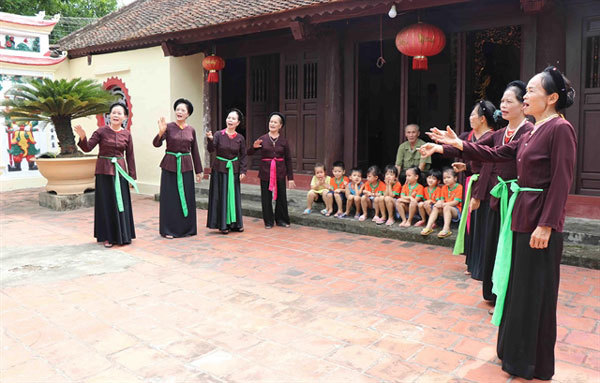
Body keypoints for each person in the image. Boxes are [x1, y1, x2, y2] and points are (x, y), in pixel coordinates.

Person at [421, 66, 576, 380]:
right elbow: (497, 152)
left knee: (535, 292)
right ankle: (513, 353)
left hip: (539, 224)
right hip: (522, 217)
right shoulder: (534, 129)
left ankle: (532, 362)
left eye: (532, 90)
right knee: (518, 289)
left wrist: (547, 225)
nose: (526, 95)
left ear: (552, 98)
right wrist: (451, 146)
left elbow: (562, 181)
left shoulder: (561, 129)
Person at [74, 102, 137, 248]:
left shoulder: (127, 134)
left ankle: (123, 235)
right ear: (108, 115)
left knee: (121, 203)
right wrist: (83, 137)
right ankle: (108, 236)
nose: (115, 115)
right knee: (107, 204)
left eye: (119, 113)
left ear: (125, 117)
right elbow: (88, 147)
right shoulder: (101, 131)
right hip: (104, 172)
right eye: (113, 112)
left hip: (120, 173)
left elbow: (130, 156)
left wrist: (132, 177)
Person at [452, 100, 497, 279]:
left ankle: (480, 266)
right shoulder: (468, 135)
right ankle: (472, 262)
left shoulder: (492, 137)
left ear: (482, 119)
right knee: (472, 225)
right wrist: (466, 168)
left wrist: (478, 195)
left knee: (481, 226)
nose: (470, 118)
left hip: (485, 187)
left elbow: (488, 166)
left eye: (473, 114)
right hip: (473, 184)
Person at [153, 98, 203, 238]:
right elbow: (156, 144)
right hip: (170, 166)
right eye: (177, 109)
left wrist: (198, 170)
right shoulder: (168, 127)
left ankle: (187, 229)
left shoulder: (191, 130)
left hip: (186, 166)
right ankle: (168, 230)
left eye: (183, 110)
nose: (179, 112)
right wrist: (161, 132)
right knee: (170, 198)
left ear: (188, 114)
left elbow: (195, 151)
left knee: (187, 197)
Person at [247, 112, 295, 229]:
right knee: (266, 197)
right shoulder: (262, 139)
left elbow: (288, 159)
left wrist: (291, 178)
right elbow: (248, 153)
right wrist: (253, 147)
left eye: (275, 122)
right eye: (271, 121)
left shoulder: (284, 141)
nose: (272, 124)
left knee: (281, 196)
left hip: (280, 171)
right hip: (265, 172)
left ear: (280, 125)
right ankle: (268, 221)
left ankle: (281, 220)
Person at [206, 108, 247, 234]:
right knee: (221, 196)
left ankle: (235, 224)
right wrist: (210, 139)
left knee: (233, 196)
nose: (230, 120)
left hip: (233, 170)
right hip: (219, 169)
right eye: (229, 117)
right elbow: (211, 150)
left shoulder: (240, 138)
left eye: (233, 118)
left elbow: (243, 155)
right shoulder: (219, 134)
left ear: (238, 123)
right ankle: (222, 225)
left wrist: (243, 171)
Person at [420, 167, 462, 238]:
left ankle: (446, 228)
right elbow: (442, 199)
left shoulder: (459, 187)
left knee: (446, 207)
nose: (446, 180)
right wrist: (439, 203)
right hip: (445, 207)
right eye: (444, 178)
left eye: (448, 177)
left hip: (456, 210)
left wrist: (443, 204)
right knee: (436, 207)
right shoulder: (444, 187)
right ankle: (429, 226)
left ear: (455, 178)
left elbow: (455, 202)